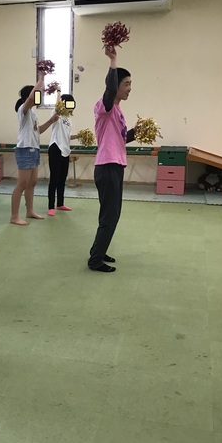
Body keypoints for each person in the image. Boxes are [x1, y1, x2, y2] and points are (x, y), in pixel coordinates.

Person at [88, 45, 137, 273]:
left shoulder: (118, 111)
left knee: (111, 214)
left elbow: (121, 139)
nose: (129, 88)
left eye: (130, 84)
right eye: (126, 84)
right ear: (115, 86)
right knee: (110, 215)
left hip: (115, 166)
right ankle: (95, 260)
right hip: (107, 166)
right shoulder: (104, 106)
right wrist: (113, 60)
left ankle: (99, 250)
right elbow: (108, 92)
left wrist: (137, 132)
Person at [10, 72, 58, 225]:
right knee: (22, 184)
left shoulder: (33, 114)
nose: (38, 99)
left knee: (32, 183)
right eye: (36, 95)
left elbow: (38, 131)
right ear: (27, 98)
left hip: (34, 149)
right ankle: (14, 216)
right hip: (25, 149)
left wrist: (51, 121)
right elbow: (31, 97)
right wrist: (42, 79)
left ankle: (29, 211)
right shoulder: (23, 110)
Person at [47, 93, 78, 216]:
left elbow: (67, 136)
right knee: (54, 178)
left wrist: (78, 136)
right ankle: (51, 206)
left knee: (62, 178)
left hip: (65, 150)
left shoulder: (69, 120)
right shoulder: (57, 115)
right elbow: (57, 106)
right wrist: (59, 92)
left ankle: (60, 203)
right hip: (55, 148)